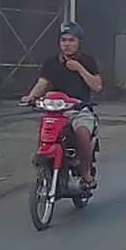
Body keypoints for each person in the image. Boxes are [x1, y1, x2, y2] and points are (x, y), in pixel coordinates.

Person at [19, 22, 103, 189]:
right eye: (63, 40)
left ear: (79, 42)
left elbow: (97, 86)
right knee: (46, 131)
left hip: (79, 110)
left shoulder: (88, 61)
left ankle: (85, 173)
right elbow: (43, 83)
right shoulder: (51, 62)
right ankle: (46, 165)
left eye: (71, 40)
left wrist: (79, 68)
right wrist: (31, 97)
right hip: (56, 110)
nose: (67, 44)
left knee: (82, 134)